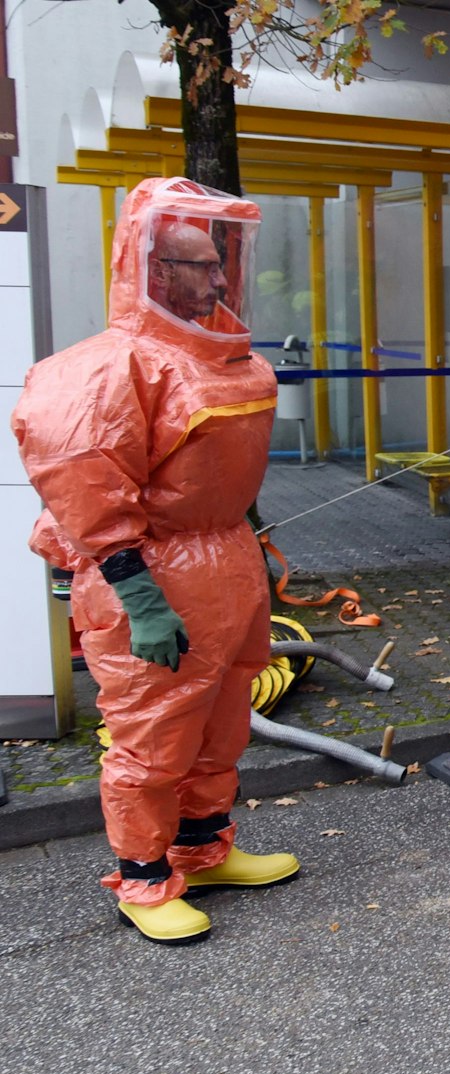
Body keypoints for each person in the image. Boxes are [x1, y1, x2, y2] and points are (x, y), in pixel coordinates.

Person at [11, 177, 292, 945]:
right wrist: (138, 596)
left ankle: (202, 849)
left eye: (222, 262)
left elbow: (218, 480)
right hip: (154, 573)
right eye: (203, 265)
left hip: (225, 560)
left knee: (222, 720)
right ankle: (142, 876)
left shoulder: (223, 360)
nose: (220, 280)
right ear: (156, 269)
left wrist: (250, 558)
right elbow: (82, 483)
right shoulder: (108, 368)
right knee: (153, 734)